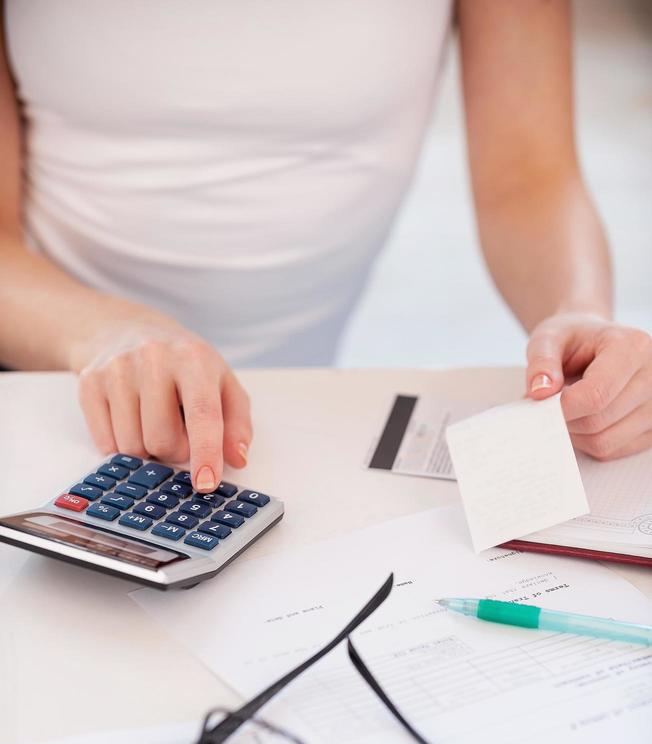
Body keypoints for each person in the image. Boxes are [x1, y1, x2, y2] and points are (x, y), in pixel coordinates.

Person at [1, 1, 650, 493]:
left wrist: (579, 311)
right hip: (46, 381)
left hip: (299, 411)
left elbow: (527, 180)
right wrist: (108, 334)